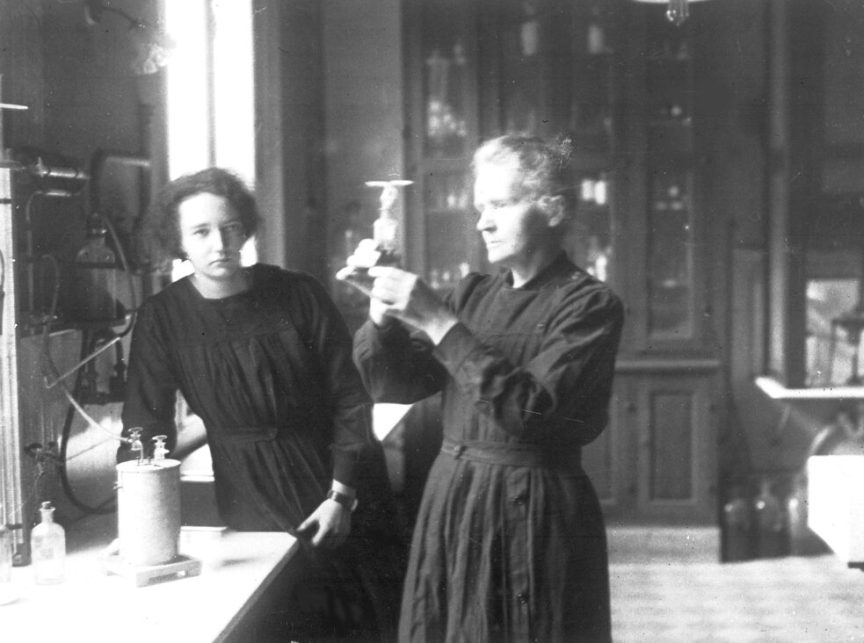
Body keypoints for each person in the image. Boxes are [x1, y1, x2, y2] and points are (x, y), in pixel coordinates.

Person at [345, 134, 624, 641]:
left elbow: (532, 414)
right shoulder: (472, 294)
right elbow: (391, 384)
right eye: (479, 207)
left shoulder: (588, 305)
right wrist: (381, 317)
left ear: (553, 209)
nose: (482, 222)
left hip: (535, 508)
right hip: (455, 501)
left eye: (500, 204)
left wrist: (438, 322)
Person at [119, 167, 404, 641]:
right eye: (202, 232)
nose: (220, 244)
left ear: (245, 229)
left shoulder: (298, 294)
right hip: (248, 493)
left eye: (230, 228)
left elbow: (350, 400)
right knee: (277, 618)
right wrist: (136, 523)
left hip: (336, 480)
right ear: (179, 242)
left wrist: (342, 495)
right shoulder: (161, 318)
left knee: (355, 622)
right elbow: (144, 426)